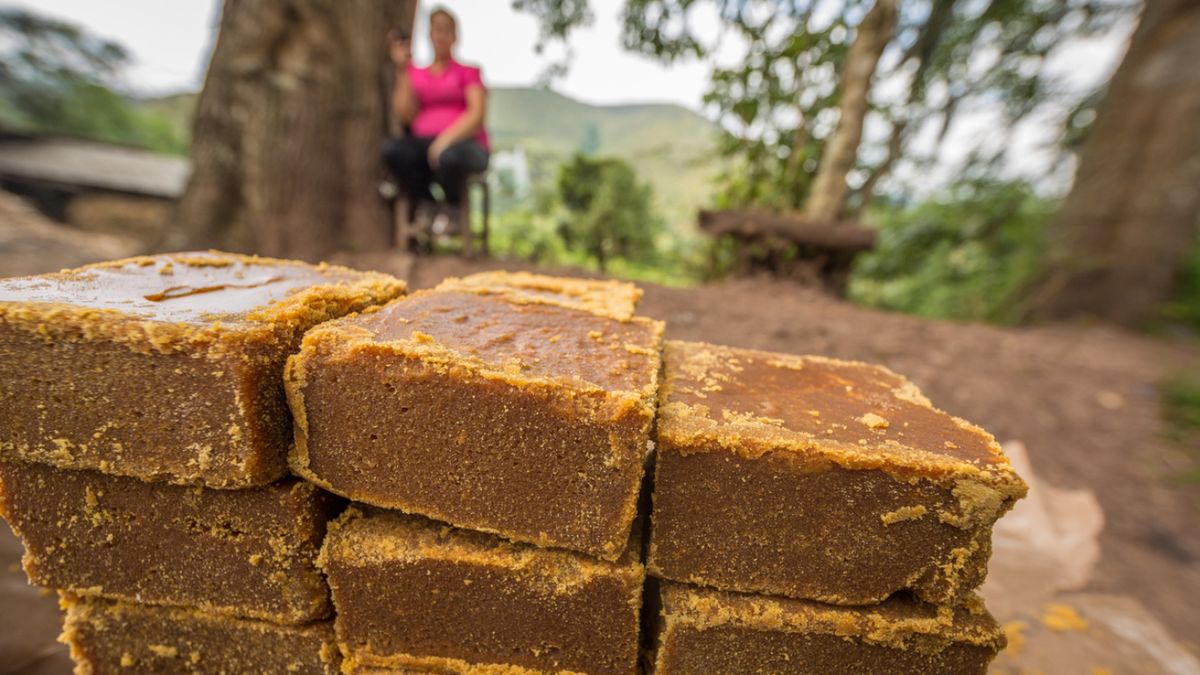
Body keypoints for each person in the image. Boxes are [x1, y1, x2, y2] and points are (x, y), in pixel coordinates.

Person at [382, 7, 489, 229]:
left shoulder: (469, 72)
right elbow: (404, 113)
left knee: (449, 157)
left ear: (455, 36)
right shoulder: (417, 74)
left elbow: (476, 114)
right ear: (429, 34)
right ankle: (428, 204)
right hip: (426, 144)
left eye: (446, 31)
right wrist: (402, 70)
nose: (441, 36)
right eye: (436, 30)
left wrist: (444, 141)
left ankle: (453, 207)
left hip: (465, 145)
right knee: (393, 150)